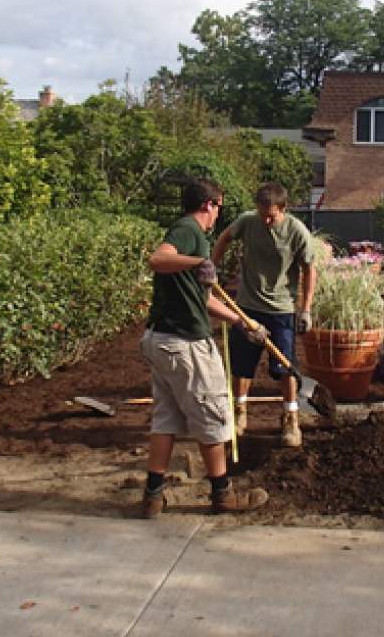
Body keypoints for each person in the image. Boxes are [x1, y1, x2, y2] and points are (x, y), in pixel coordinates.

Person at [139, 178, 270, 518]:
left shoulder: (192, 236)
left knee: (165, 420)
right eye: (218, 208)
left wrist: (242, 323)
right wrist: (197, 262)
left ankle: (153, 496)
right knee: (212, 416)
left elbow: (205, 299)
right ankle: (222, 495)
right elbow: (158, 259)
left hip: (161, 341)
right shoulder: (187, 231)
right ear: (209, 204)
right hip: (184, 346)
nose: (217, 216)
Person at [211, 182, 316, 448]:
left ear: (284, 209)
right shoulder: (248, 221)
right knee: (242, 364)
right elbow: (224, 238)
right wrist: (212, 268)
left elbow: (309, 269)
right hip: (247, 308)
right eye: (262, 214)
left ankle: (291, 418)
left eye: (272, 215)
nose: (266, 220)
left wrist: (305, 309)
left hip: (282, 310)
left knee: (286, 368)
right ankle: (240, 413)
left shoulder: (296, 231)